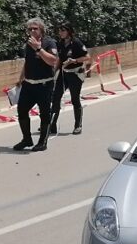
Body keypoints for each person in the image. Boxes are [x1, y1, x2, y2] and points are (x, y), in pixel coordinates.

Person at [12, 18, 59, 152]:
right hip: (29, 84)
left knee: (44, 113)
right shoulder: (28, 44)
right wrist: (21, 78)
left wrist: (38, 48)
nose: (32, 31)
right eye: (30, 29)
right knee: (21, 110)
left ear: (41, 30)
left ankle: (42, 142)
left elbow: (52, 61)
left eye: (35, 28)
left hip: (44, 85)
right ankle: (26, 139)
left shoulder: (49, 43)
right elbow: (28, 61)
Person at [50, 22, 90, 135]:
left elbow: (87, 57)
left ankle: (78, 125)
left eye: (63, 30)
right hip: (63, 74)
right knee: (55, 97)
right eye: (59, 30)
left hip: (75, 74)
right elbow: (59, 59)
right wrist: (54, 73)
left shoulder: (76, 43)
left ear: (69, 32)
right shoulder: (60, 43)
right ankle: (52, 125)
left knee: (75, 99)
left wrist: (74, 60)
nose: (60, 33)